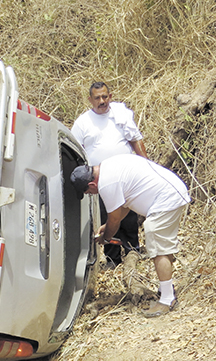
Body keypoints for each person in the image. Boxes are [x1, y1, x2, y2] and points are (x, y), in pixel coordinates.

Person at [70, 155, 190, 317]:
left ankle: (168, 300)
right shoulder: (108, 166)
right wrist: (107, 227)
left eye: (88, 192)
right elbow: (124, 205)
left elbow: (114, 221)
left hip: (166, 199)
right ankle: (165, 288)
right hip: (172, 191)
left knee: (156, 243)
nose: (91, 194)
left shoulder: (106, 184)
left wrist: (105, 238)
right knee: (161, 243)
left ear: (92, 184)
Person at [71, 82, 147, 266]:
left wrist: (147, 165)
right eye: (97, 98)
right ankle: (113, 258)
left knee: (128, 213)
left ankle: (133, 251)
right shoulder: (83, 122)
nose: (102, 101)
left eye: (105, 97)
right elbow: (74, 149)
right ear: (90, 100)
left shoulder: (120, 114)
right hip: (100, 179)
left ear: (110, 96)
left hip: (126, 175)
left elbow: (136, 140)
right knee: (107, 216)